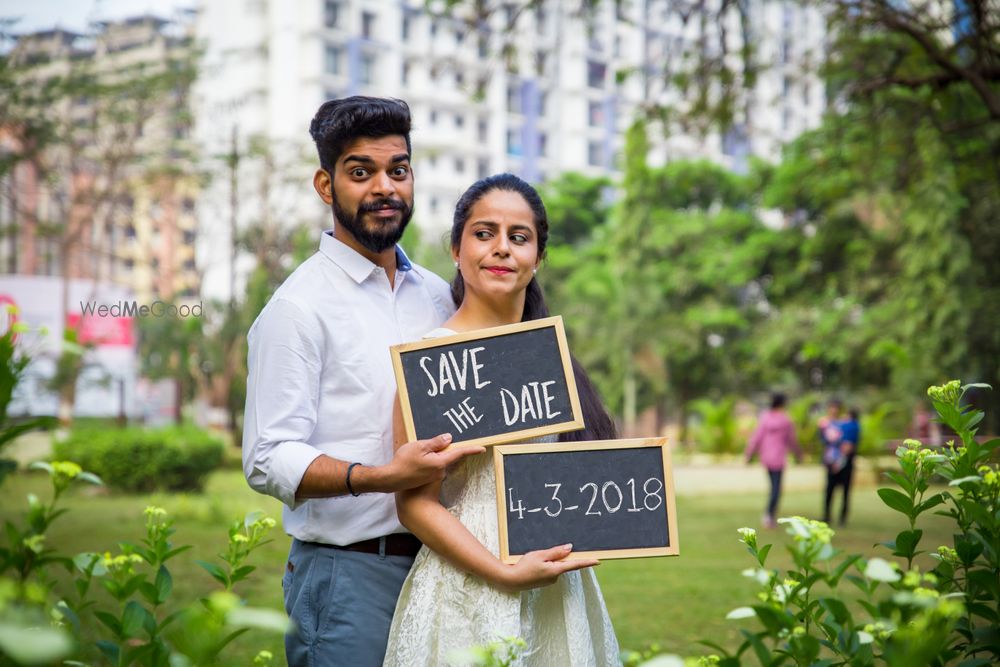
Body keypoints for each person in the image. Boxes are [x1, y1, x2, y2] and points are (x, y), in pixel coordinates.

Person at [242, 96, 483, 667]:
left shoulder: (438, 295)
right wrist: (381, 476)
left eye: (397, 171)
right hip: (348, 574)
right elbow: (266, 457)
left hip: (446, 568)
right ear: (326, 187)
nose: (385, 187)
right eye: (361, 172)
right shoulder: (297, 308)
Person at [383, 174, 621, 666]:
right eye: (484, 233)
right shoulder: (430, 362)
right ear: (456, 248)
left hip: (555, 586)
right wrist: (502, 572)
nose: (502, 249)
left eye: (519, 237)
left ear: (537, 257)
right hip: (463, 585)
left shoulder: (548, 356)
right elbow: (414, 505)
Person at [745, 393, 803, 529]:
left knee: (773, 488)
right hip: (778, 459)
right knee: (776, 489)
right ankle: (769, 515)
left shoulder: (765, 418)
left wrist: (749, 454)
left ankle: (769, 515)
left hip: (766, 458)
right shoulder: (786, 420)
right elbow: (792, 440)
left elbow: (756, 437)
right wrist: (799, 455)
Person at [824, 408, 860, 526]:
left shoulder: (850, 427)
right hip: (842, 462)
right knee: (844, 491)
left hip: (841, 463)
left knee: (834, 490)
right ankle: (839, 518)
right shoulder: (854, 426)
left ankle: (830, 516)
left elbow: (847, 447)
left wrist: (837, 464)